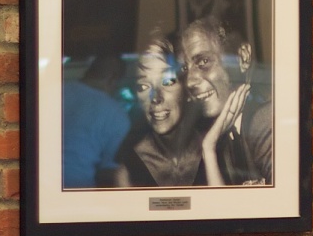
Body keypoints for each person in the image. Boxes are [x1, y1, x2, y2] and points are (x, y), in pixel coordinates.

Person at [177, 13, 273, 186]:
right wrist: (208, 147)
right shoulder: (219, 133)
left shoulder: (265, 120)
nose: (190, 81)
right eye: (185, 68)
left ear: (243, 58)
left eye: (204, 61)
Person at [112, 35, 205, 187]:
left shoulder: (218, 151)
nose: (155, 97)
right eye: (144, 86)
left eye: (167, 81)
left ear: (187, 87)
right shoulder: (127, 173)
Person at [60, 53, 129, 189]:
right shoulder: (118, 115)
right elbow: (108, 170)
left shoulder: (54, 93)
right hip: (78, 187)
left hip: (40, 182)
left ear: (88, 72)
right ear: (113, 79)